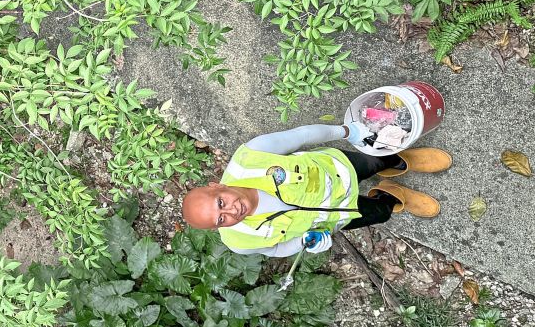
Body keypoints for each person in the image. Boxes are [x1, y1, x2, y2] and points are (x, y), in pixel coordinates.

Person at [180, 122, 451, 257]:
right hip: (336, 216)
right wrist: (304, 244)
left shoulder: (249, 158)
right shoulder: (239, 242)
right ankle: (390, 196)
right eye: (221, 219)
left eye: (221, 203)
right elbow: (274, 250)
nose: (231, 211)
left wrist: (346, 131)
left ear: (217, 186)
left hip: (337, 169)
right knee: (378, 214)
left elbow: (301, 136)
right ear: (218, 228)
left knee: (373, 161)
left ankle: (398, 161)